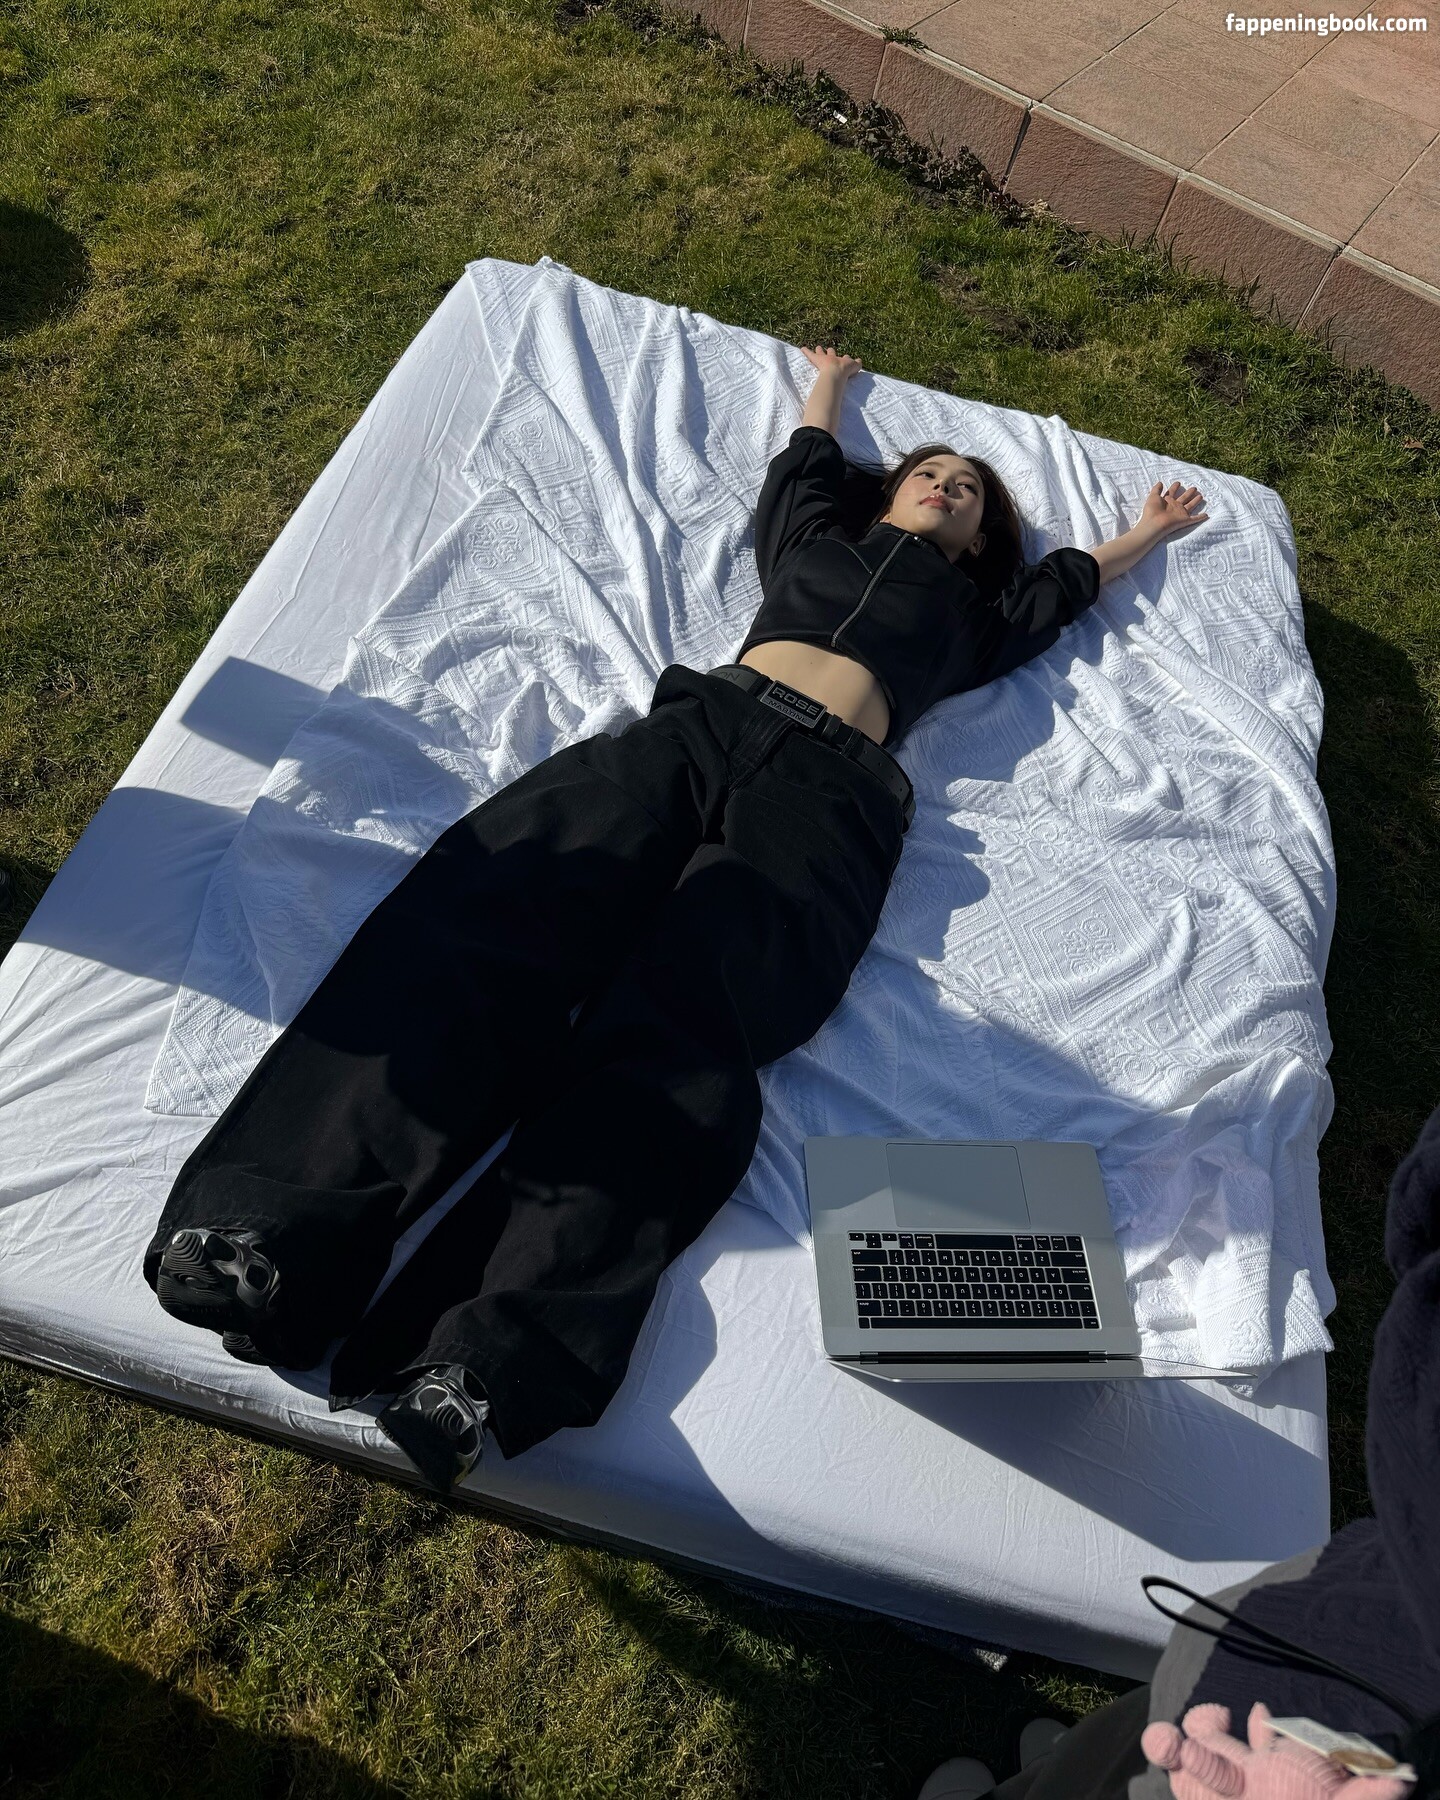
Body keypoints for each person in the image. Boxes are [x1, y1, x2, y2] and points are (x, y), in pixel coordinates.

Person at [144, 345, 1207, 1492]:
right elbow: (805, 466)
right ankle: (268, 1239)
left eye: (970, 492)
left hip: (833, 794)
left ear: (982, 538)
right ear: (890, 491)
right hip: (700, 726)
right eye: (930, 473)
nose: (948, 486)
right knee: (487, 911)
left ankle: (484, 1365)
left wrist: (1142, 534)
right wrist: (828, 386)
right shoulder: (813, 542)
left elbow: (1065, 587)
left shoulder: (975, 617)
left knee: (687, 1031)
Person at [915, 1096, 1440, 1800]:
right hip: (1357, 1613)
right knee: (1127, 1743)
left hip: (1305, 1742)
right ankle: (1062, 1775)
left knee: (1148, 1764)